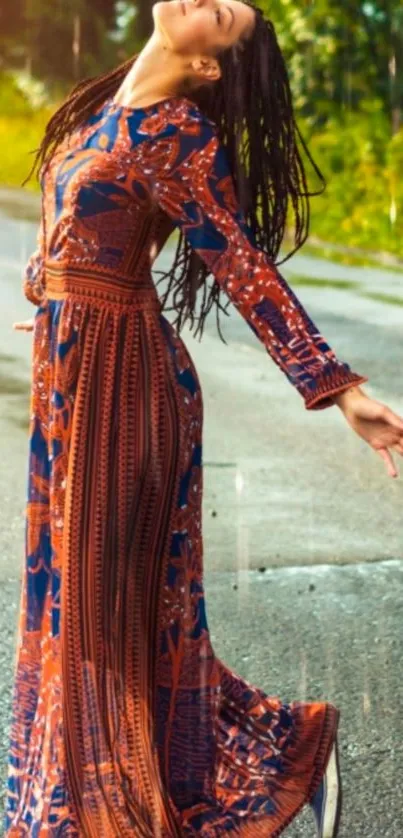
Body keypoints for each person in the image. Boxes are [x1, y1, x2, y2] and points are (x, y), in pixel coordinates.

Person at [5, 1, 403, 836]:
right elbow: (77, 226)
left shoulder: (182, 135)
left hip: (126, 384)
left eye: (221, 13)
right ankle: (266, 746)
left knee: (99, 609)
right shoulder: (97, 113)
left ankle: (91, 806)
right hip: (67, 376)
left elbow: (243, 269)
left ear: (212, 64)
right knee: (76, 605)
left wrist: (340, 392)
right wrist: (50, 289)